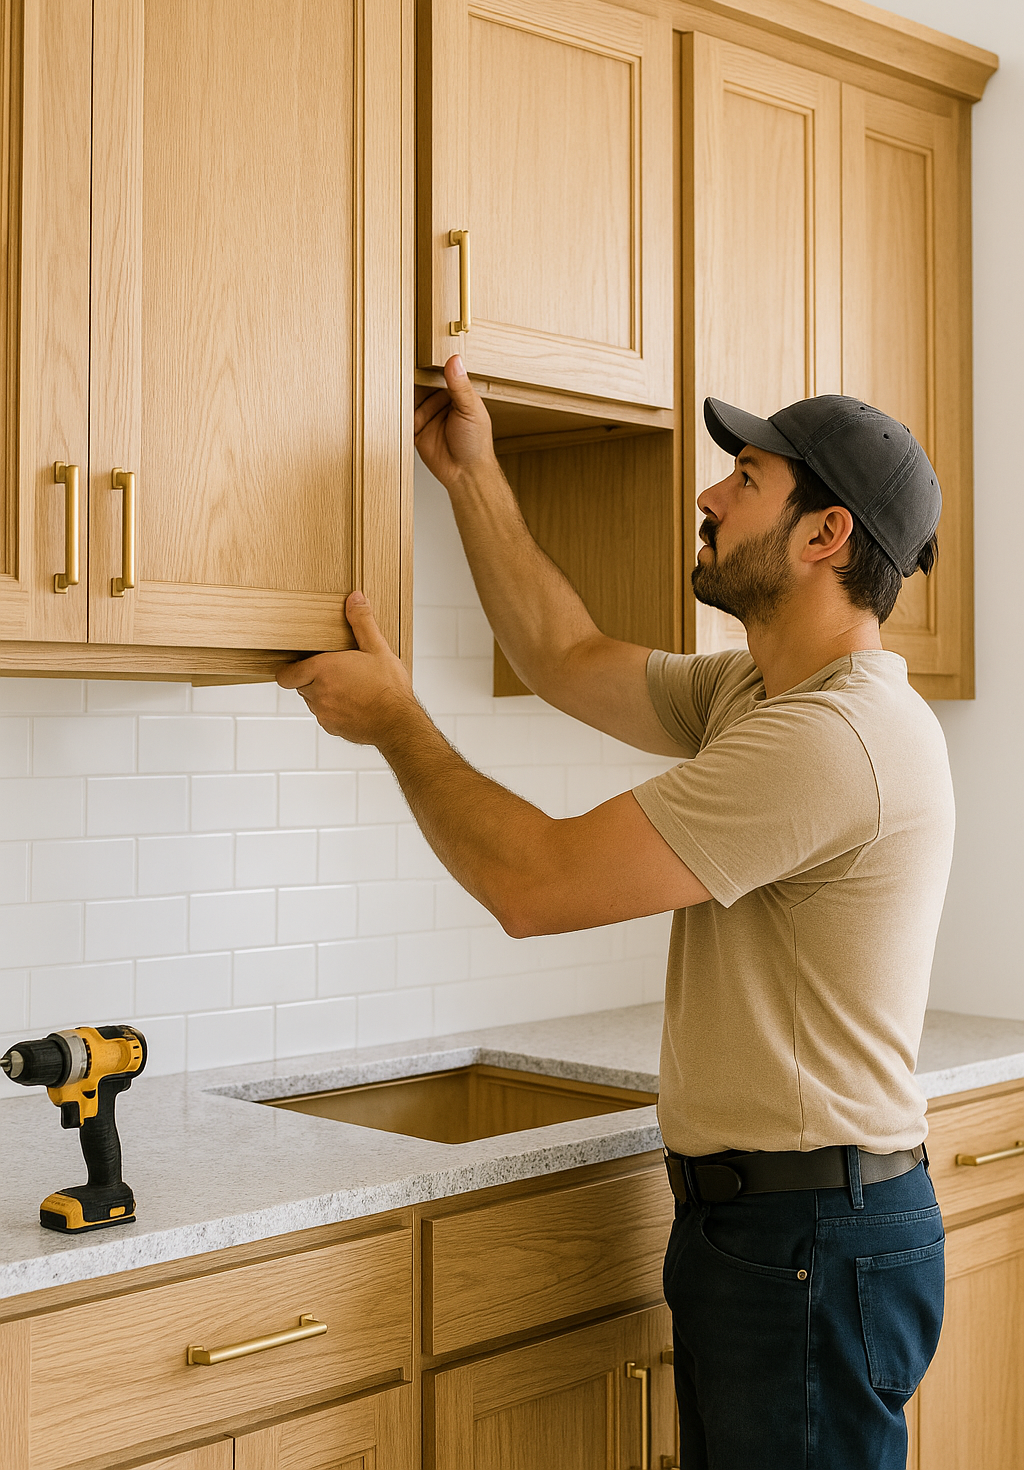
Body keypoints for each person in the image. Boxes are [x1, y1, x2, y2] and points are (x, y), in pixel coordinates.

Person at [278, 355, 954, 1470]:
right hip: (777, 1229)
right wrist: (470, 475)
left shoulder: (831, 740)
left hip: (808, 1239)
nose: (707, 495)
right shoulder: (761, 692)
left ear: (824, 536)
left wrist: (398, 723)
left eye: (743, 477)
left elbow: (533, 886)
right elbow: (564, 655)